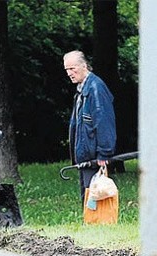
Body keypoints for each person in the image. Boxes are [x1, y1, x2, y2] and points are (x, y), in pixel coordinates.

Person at [63, 50, 116, 202]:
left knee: (95, 197)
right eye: (66, 69)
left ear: (84, 66)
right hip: (86, 156)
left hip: (93, 156)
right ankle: (91, 224)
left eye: (72, 68)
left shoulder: (96, 88)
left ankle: (98, 224)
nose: (69, 73)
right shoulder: (82, 89)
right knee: (88, 197)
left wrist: (104, 153)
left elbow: (104, 122)